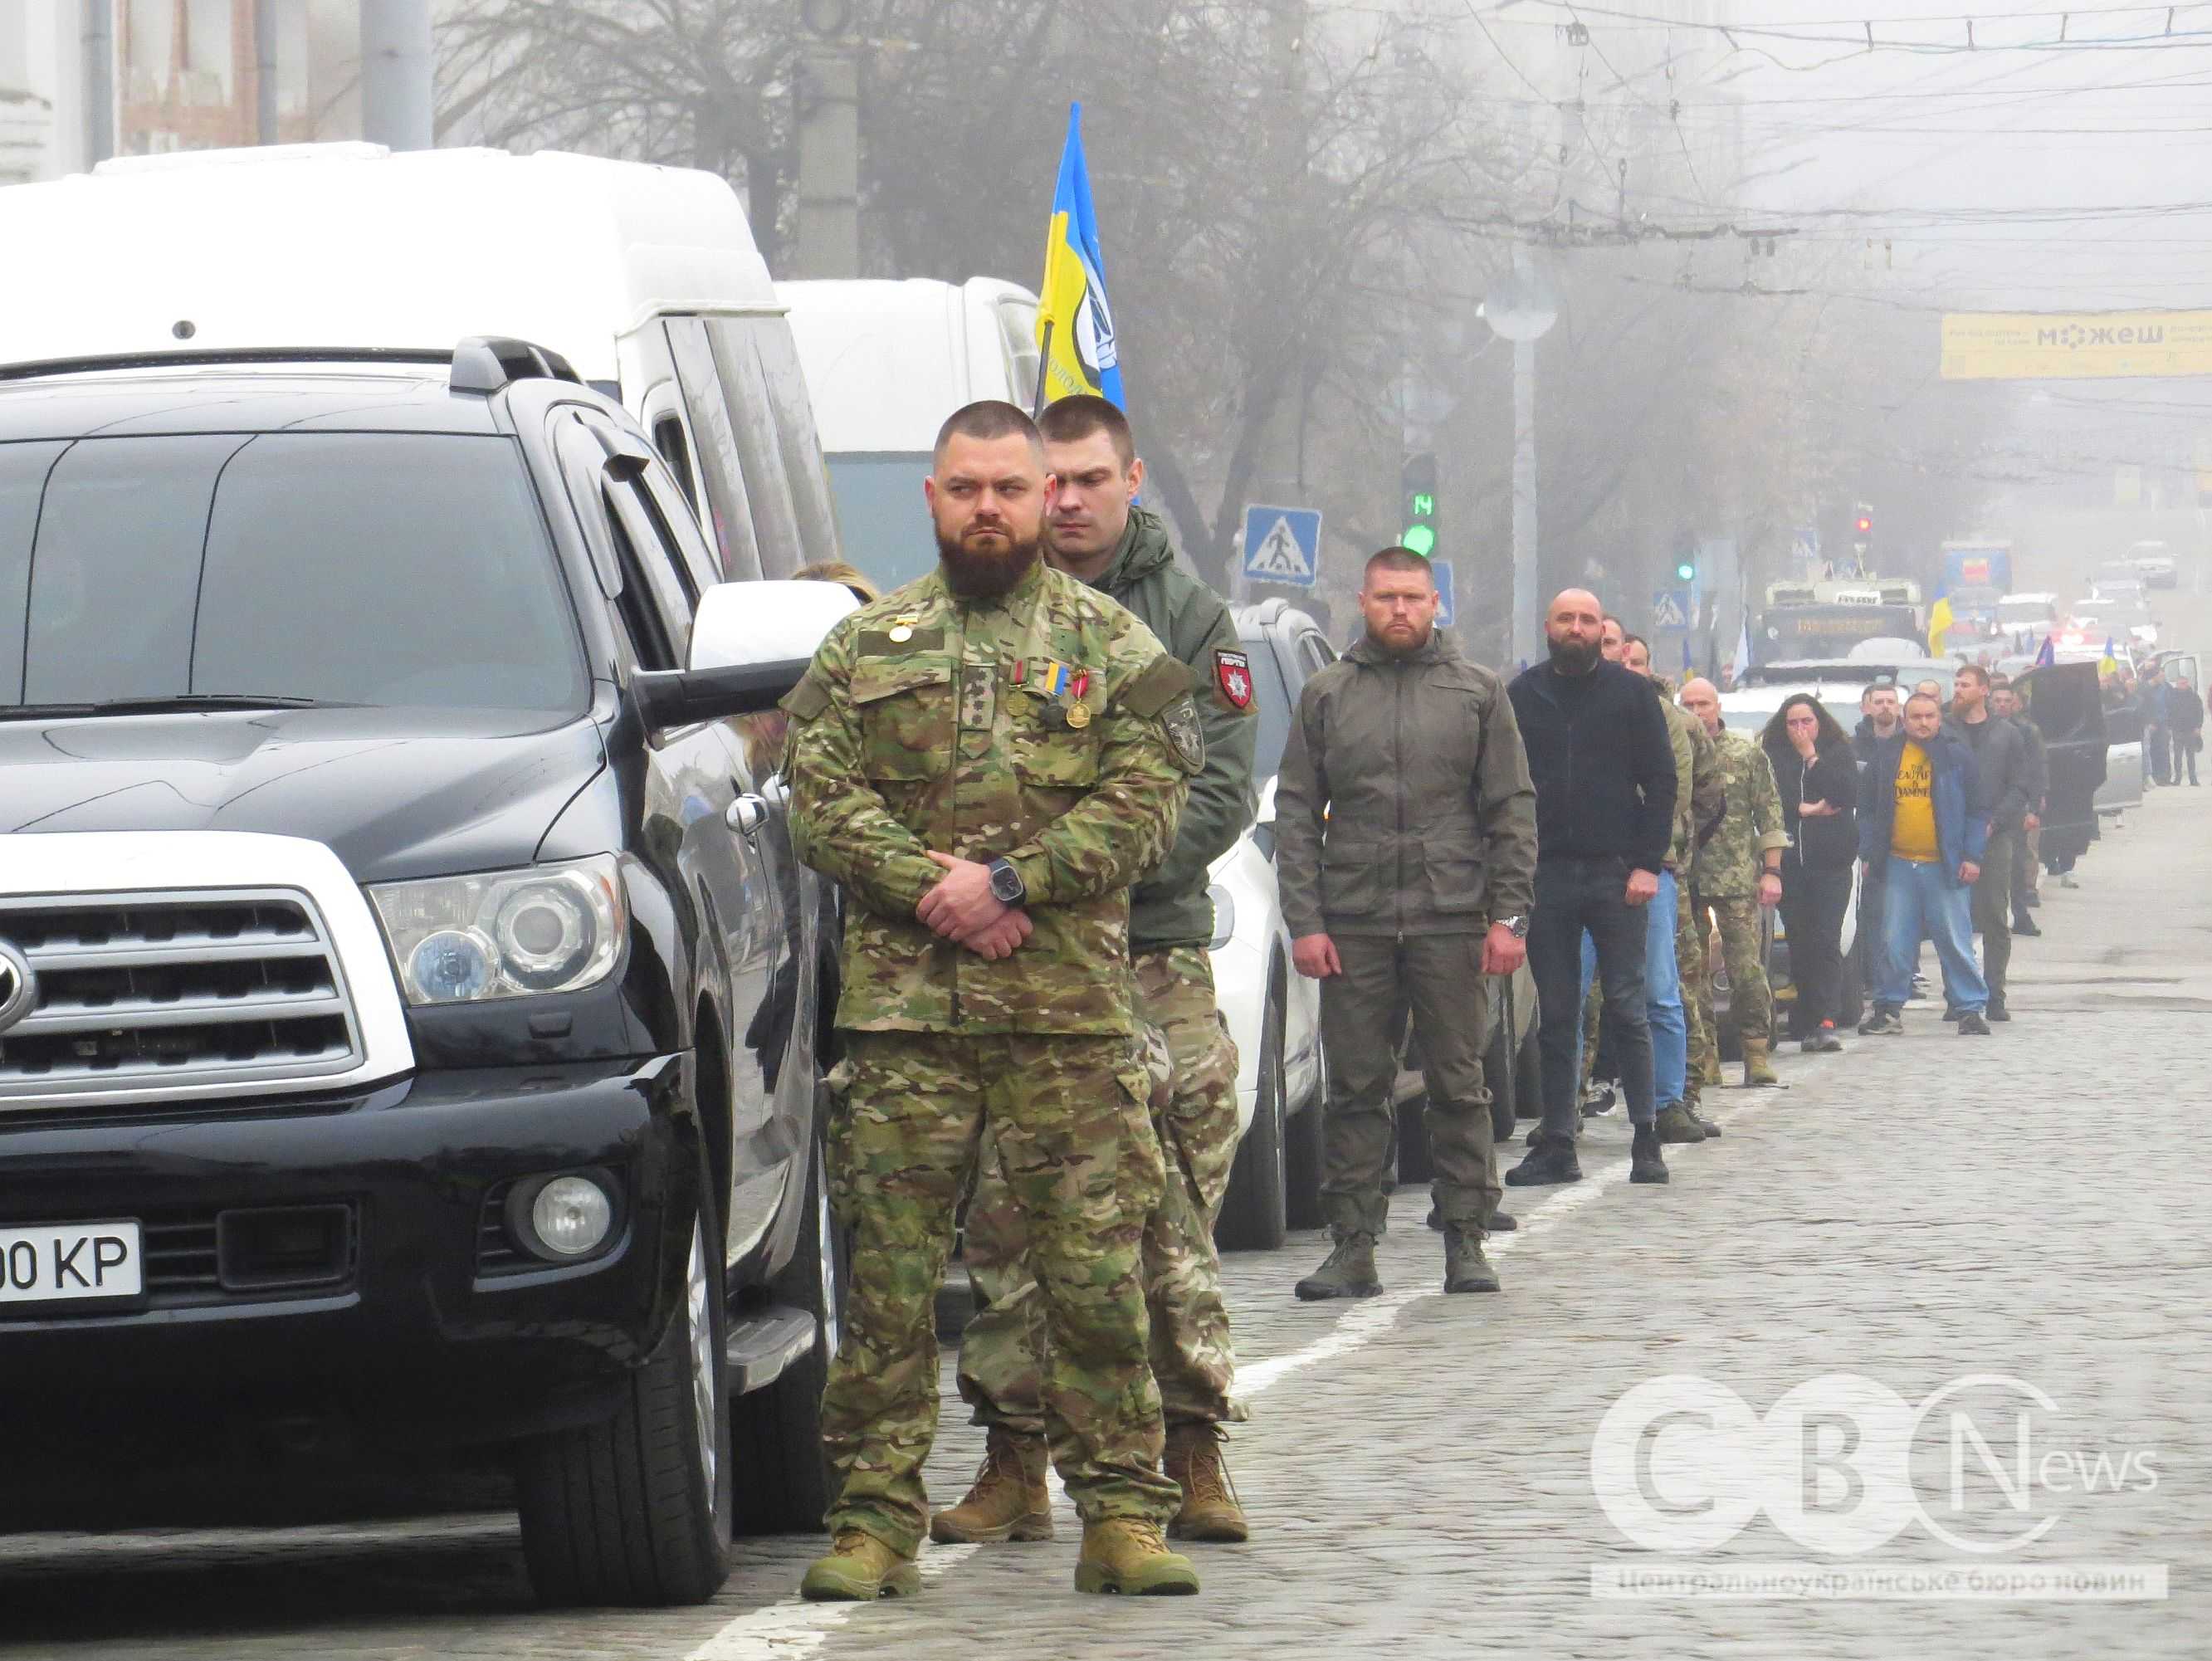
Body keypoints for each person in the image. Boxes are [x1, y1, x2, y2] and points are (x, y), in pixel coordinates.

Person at [783, 399, 1207, 1600]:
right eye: (965, 489)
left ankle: (1123, 1514)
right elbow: (817, 799)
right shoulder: (868, 648)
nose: (989, 509)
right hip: (907, 1024)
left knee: (1094, 1272)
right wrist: (939, 890)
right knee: (891, 1283)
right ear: (933, 499)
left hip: (1065, 1022)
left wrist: (1017, 880)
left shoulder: (1115, 646)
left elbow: (1149, 805)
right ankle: (873, 1520)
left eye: (1010, 490)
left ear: (1041, 502)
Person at [939, 396, 1260, 1551]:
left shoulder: (1187, 620)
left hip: (1145, 952)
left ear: (1130, 481)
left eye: (1086, 479)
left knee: (1166, 1203)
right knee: (1011, 1209)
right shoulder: (976, 608)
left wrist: (1066, 873)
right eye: (1049, 481)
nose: (1064, 501)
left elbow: (1218, 789)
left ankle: (1193, 1447)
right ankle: (1013, 1457)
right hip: (1013, 965)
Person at [1276, 548, 1537, 1299]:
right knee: (1354, 1088)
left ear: (1435, 604)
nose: (1399, 610)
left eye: (1413, 597)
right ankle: (1352, 1245)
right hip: (1352, 919)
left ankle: (1465, 1238)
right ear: (1363, 600)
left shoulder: (1476, 692)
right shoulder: (1328, 693)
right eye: (1386, 596)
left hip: (1450, 916)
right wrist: (1305, 919)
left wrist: (1508, 916)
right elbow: (1295, 811)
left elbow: (1510, 810)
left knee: (1460, 1083)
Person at [1506, 590, 1678, 1188]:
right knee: (1556, 1015)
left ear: (1601, 627)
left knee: (1627, 1007)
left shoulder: (1631, 695)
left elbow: (1660, 780)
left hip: (1616, 872)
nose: (1576, 628)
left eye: (1587, 620)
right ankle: (1558, 1140)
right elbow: (1502, 784)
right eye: (1565, 619)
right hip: (1545, 873)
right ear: (1548, 627)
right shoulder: (1521, 695)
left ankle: (1645, 1136)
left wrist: (1645, 864)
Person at [1619, 638, 1726, 1141]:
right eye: (1618, 658)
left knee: (1669, 990)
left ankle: (1677, 1099)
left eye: (1635, 660)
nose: (1627, 668)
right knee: (1579, 997)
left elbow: (1704, 795)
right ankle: (1567, 1108)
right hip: (1585, 870)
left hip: (1659, 871)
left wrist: (1676, 844)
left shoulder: (1676, 723)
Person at [1857, 691, 1991, 1037]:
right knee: (1893, 941)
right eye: (1916, 717)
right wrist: (1870, 852)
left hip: (1944, 865)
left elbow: (1978, 810)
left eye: (1930, 716)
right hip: (1898, 863)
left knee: (1955, 940)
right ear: (1905, 718)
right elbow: (1868, 809)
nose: (1924, 723)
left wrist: (1972, 856)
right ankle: (1887, 1010)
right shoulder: (1886, 756)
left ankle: (1970, 1009)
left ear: (1939, 717)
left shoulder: (1957, 755)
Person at [1678, 677, 1790, 1076]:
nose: (1696, 712)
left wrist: (1772, 871)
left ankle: (1755, 1050)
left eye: (1703, 704)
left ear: (1717, 707)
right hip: (1685, 879)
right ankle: (1704, 1056)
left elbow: (1770, 813)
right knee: (1691, 976)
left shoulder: (1746, 753)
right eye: (1688, 704)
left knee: (1746, 971)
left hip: (1737, 879)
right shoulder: (1675, 752)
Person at [1757, 693, 1859, 1051]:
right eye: (1793, 723)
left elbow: (1845, 793)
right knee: (1800, 941)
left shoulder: (1837, 752)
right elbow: (1772, 803)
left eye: (1807, 722)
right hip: (1792, 866)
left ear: (1820, 723)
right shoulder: (1772, 756)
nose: (1800, 730)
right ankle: (1807, 1013)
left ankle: (1827, 1017)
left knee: (1826, 939)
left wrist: (1812, 758)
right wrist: (1803, 809)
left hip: (1832, 864)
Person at [1950, 663, 2033, 1023]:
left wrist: (1994, 821)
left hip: (1995, 836)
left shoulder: (2008, 734)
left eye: (1965, 684)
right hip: (1951, 836)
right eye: (1956, 683)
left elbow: (2020, 786)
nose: (1958, 690)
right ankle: (1959, 996)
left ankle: (1994, 993)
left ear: (1983, 689)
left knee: (1996, 916)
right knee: (1954, 919)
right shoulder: (1946, 730)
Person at [1990, 681, 2047, 935]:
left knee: (2015, 864)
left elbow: (2037, 770)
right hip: (1986, 806)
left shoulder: (2026, 731)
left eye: (2007, 701)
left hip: (2015, 807)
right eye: (1997, 701)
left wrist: (2033, 809)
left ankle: (2020, 914)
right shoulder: (1981, 729)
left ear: (2015, 703)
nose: (2002, 705)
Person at [1853, 681, 1902, 765]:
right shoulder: (1854, 747)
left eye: (1890, 702)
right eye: (1879, 702)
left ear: (1899, 708)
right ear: (1869, 708)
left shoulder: (1913, 743)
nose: (1885, 706)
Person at [2170, 673, 2205, 785]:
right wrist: (2170, 726)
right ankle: (2178, 778)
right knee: (2178, 756)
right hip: (2177, 730)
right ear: (2177, 684)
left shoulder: (2194, 696)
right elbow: (2169, 712)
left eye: (2185, 683)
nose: (2183, 685)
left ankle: (2193, 779)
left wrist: (2198, 727)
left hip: (2191, 730)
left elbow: (2200, 712)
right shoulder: (2172, 696)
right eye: (2181, 683)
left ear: (2188, 683)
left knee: (2191, 756)